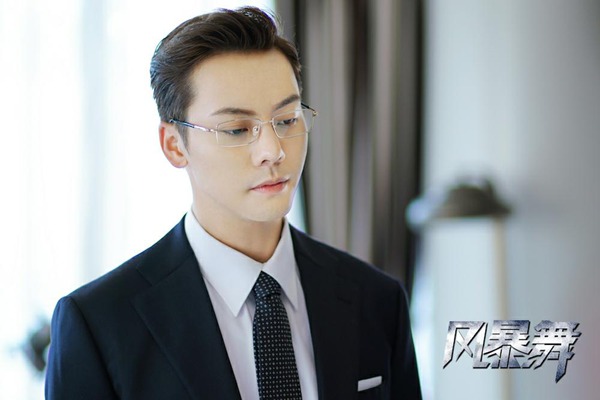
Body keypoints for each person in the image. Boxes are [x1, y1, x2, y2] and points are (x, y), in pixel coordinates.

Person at [45, 6, 421, 400]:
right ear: (174, 145)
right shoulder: (100, 325)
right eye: (238, 129)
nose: (273, 151)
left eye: (287, 120)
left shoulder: (377, 300)